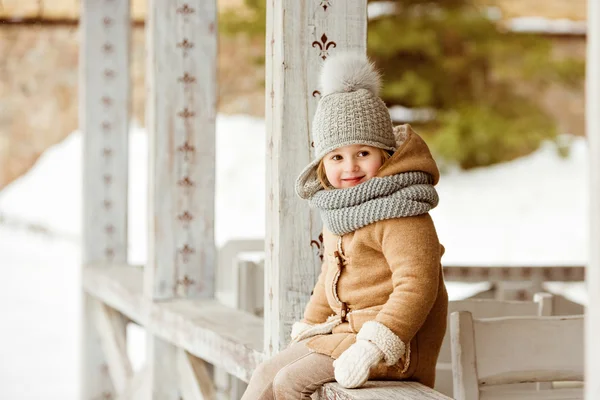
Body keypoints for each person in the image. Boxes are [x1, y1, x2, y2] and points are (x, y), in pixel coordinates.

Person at [242, 52, 448, 400]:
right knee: (266, 373)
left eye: (363, 153)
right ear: (323, 164)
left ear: (385, 154)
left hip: (393, 344)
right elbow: (328, 280)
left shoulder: (402, 213)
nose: (350, 166)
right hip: (342, 334)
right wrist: (308, 327)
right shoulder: (341, 211)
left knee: (290, 383)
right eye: (337, 156)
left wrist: (373, 346)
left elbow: (417, 285)